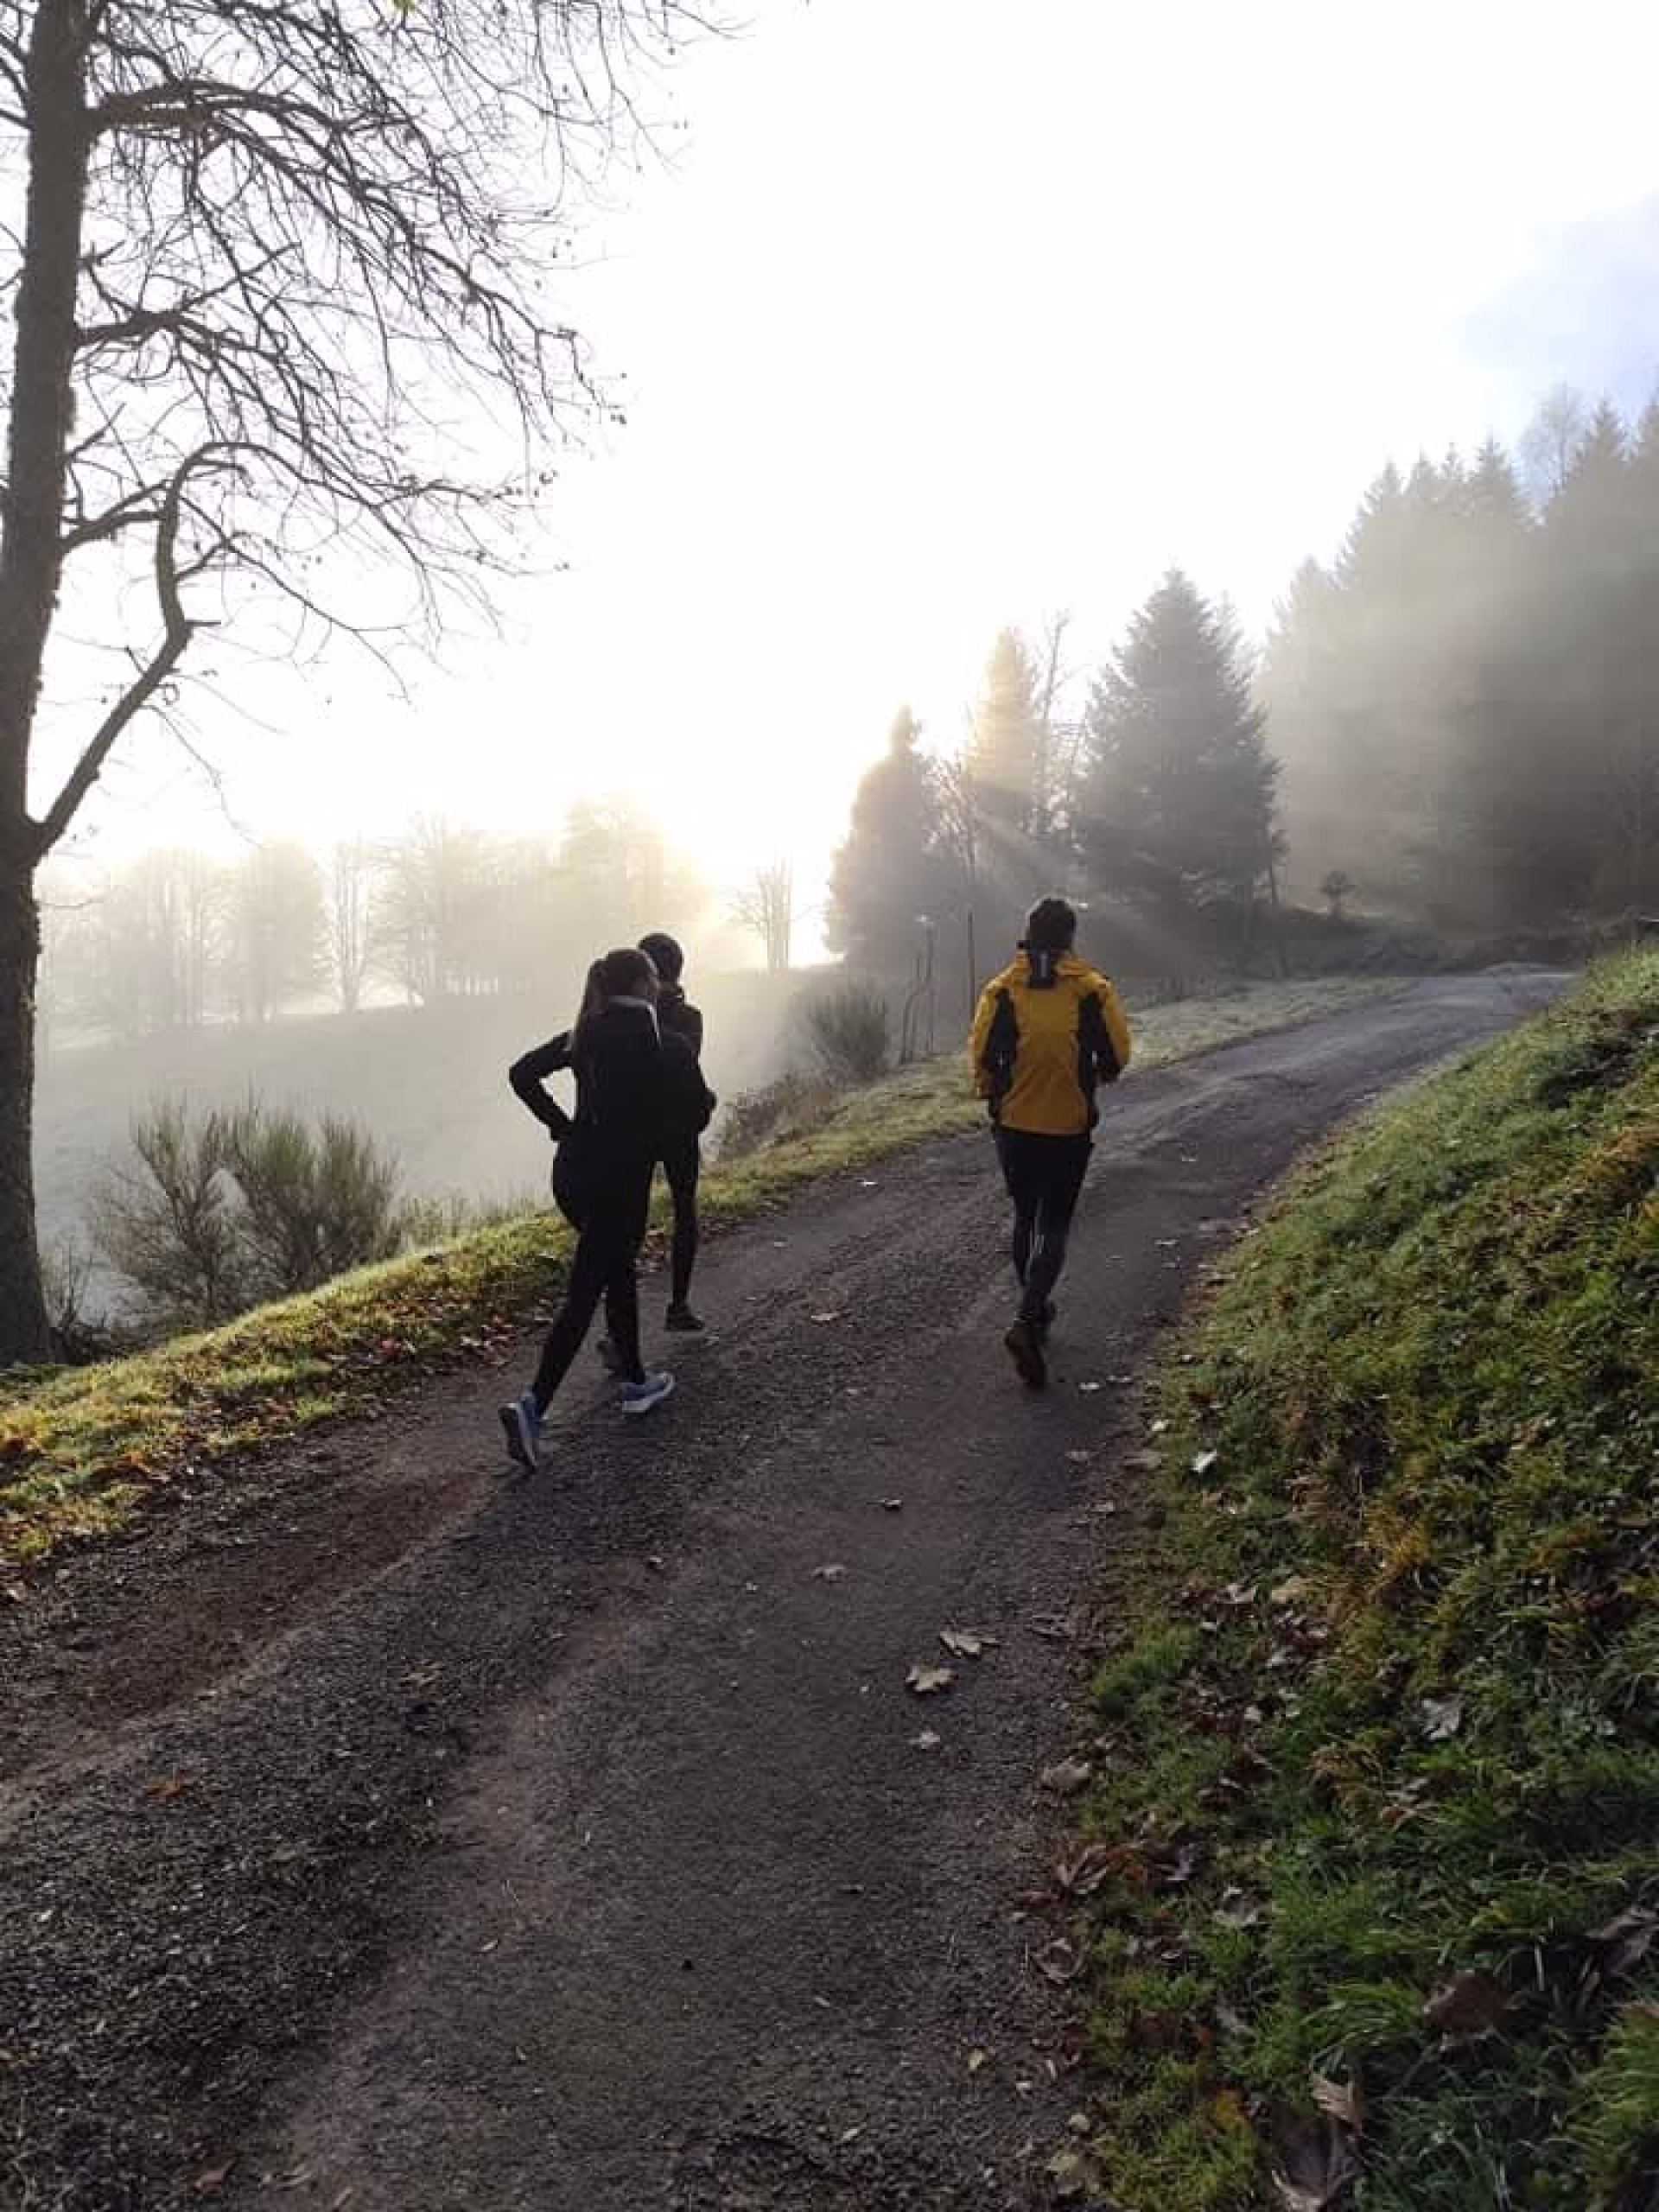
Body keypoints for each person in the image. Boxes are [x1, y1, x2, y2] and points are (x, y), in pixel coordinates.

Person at [498, 947, 677, 1471]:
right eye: (655, 978)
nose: (660, 986)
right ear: (644, 984)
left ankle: (637, 1382)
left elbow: (521, 1074)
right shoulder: (644, 1030)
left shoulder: (587, 1029)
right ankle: (532, 1406)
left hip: (575, 1173)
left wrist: (562, 1125)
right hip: (618, 1181)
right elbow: (660, 1109)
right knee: (585, 1291)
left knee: (616, 1268)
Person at [969, 896, 1132, 1390]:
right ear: (1070, 939)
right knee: (1053, 1223)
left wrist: (994, 1093)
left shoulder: (1000, 991)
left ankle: (1034, 1313)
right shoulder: (1092, 990)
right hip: (1068, 1125)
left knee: (1025, 1217)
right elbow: (1118, 1055)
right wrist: (1095, 1074)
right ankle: (1027, 1317)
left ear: (1028, 935)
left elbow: (979, 1057)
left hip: (1014, 1128)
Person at [638, 930, 715, 1332]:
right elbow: (685, 1067)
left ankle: (624, 1327)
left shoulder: (630, 1016)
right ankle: (678, 1305)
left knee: (632, 1220)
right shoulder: (690, 1017)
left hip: (637, 1126)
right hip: (680, 1126)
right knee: (685, 1210)